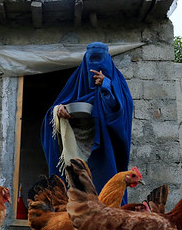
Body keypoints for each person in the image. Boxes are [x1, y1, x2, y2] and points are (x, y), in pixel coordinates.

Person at [40, 42, 133, 199]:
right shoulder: (76, 82)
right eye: (91, 60)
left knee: (106, 198)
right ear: (85, 62)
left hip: (105, 150)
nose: (95, 67)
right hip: (77, 153)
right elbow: (50, 115)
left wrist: (107, 88)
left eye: (101, 60)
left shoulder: (117, 83)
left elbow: (122, 112)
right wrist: (59, 110)